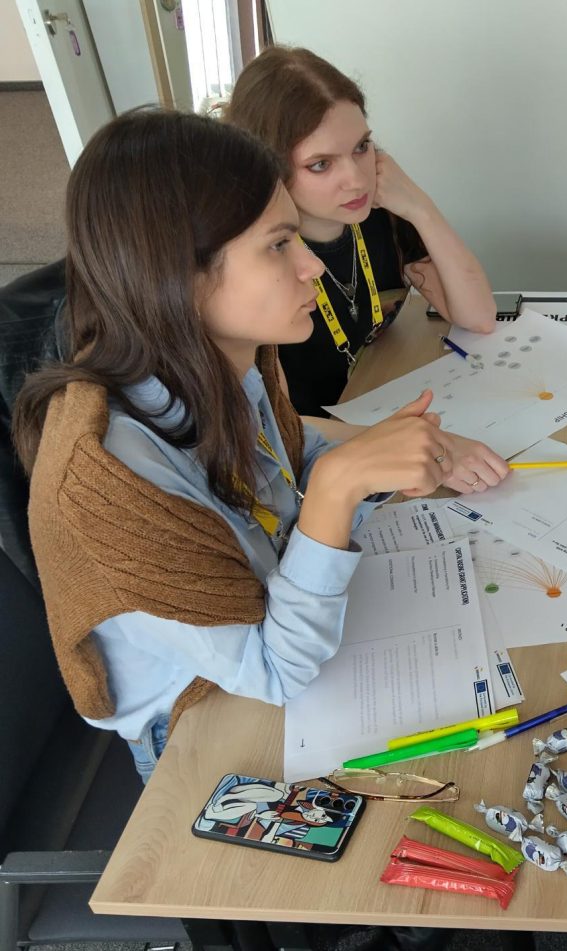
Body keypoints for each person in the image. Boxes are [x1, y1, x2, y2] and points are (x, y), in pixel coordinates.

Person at [13, 110, 488, 782]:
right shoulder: (107, 479)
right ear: (181, 273)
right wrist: (336, 488)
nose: (311, 268)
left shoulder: (223, 354)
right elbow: (276, 669)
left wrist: (363, 465)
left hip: (269, 612)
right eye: (279, 245)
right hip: (199, 716)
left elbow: (285, 458)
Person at [225, 46, 497, 424]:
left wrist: (421, 207)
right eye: (320, 164)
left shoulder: (378, 214)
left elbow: (478, 316)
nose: (356, 180)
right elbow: (277, 429)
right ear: (268, 168)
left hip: (375, 404)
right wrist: (388, 441)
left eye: (361, 147)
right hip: (322, 450)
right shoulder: (254, 260)